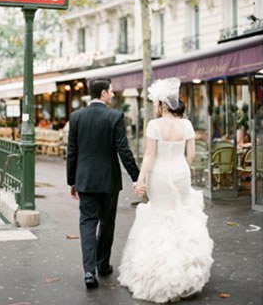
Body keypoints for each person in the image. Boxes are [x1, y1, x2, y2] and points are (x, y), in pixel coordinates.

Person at [118, 78, 214, 302]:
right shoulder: (187, 125)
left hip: (159, 175)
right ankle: (186, 273)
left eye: (155, 103)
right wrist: (182, 170)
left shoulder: (154, 125)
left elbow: (150, 155)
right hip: (181, 173)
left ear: (162, 104)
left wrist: (140, 180)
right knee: (180, 214)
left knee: (160, 215)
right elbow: (190, 155)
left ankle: (158, 274)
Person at [66, 78, 141, 289]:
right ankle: (103, 264)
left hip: (85, 180)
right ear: (103, 94)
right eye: (111, 92)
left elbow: (72, 152)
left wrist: (72, 181)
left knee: (87, 223)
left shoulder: (76, 117)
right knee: (107, 223)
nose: (113, 95)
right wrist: (136, 176)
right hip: (109, 181)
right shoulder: (115, 117)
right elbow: (123, 150)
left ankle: (89, 271)